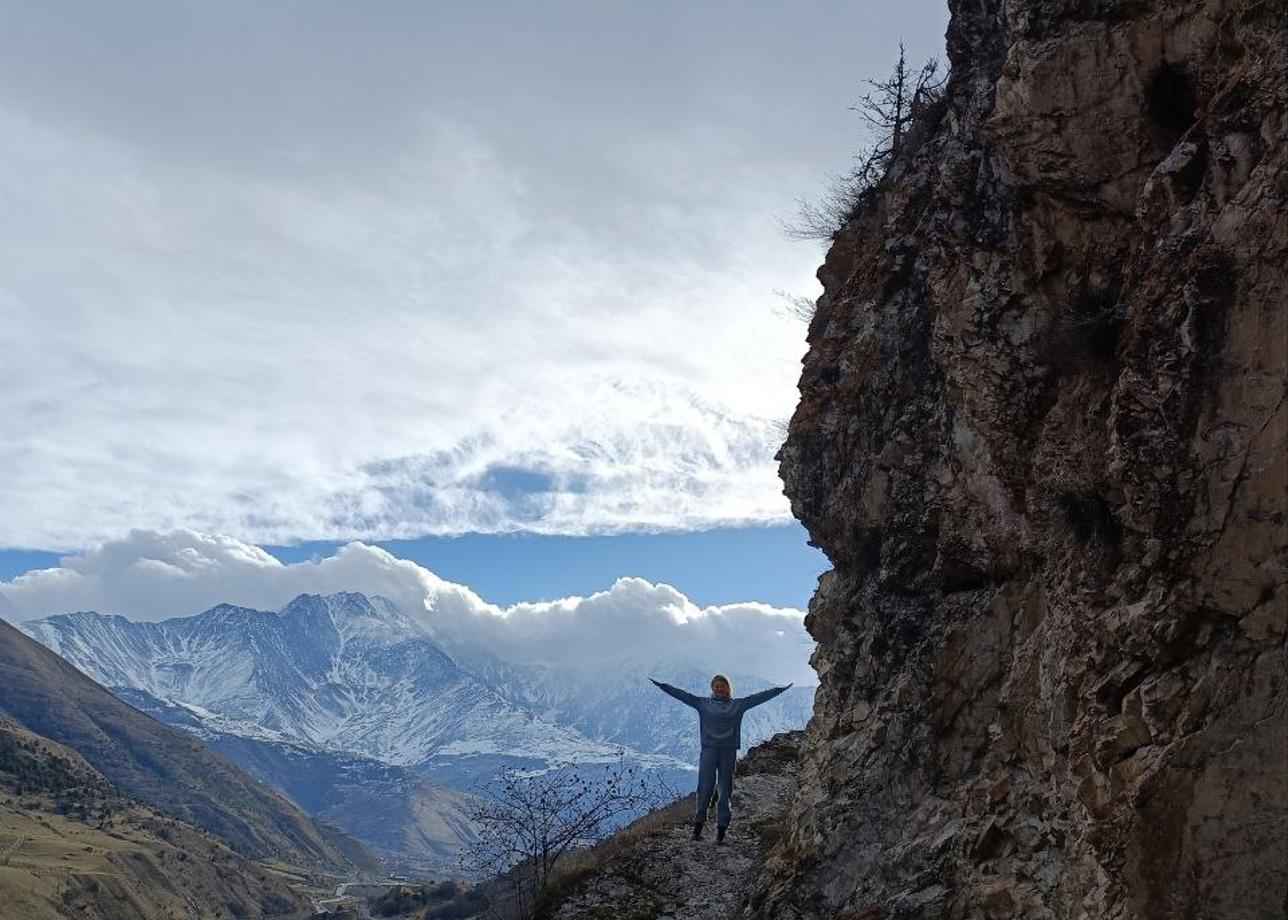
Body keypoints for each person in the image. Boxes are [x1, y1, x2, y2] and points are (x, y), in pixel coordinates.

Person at [649, 673, 793, 844]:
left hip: (728, 752)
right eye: (716, 686)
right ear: (712, 689)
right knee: (705, 789)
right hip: (709, 751)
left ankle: (720, 834)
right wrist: (663, 686)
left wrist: (779, 690)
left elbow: (759, 697)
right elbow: (682, 695)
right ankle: (697, 830)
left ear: (728, 688)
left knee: (725, 791)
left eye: (722, 686)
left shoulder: (738, 705)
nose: (719, 689)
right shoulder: (703, 704)